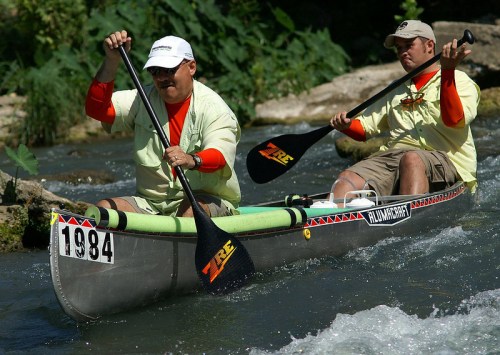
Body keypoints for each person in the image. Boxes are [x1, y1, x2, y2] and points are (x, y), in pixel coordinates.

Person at [85, 30, 241, 217]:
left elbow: (220, 157)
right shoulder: (142, 98)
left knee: (191, 211)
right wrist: (111, 60)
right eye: (155, 71)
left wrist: (191, 160)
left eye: (169, 70)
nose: (161, 77)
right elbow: (96, 110)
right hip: (152, 204)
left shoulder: (214, 108)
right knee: (104, 209)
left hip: (205, 200)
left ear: (191, 67)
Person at [329, 20, 480, 202]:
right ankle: (331, 221)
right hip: (394, 157)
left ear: (430, 46)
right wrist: (346, 125)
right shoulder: (394, 89)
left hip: (447, 161)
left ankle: (406, 222)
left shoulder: (460, 80)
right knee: (346, 179)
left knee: (412, 160)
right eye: (399, 48)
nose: (403, 53)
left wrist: (448, 72)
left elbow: (455, 120)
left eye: (409, 45)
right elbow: (364, 131)